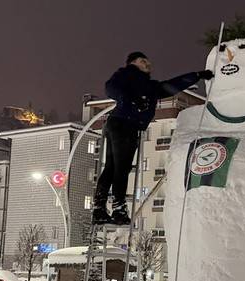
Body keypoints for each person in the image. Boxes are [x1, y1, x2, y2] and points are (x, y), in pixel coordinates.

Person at [92, 52, 214, 225]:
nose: (148, 64)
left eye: (148, 62)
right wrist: (134, 100)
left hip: (119, 124)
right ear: (132, 63)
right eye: (143, 61)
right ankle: (118, 209)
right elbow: (111, 88)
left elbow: (171, 86)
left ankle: (99, 209)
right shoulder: (129, 74)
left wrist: (196, 76)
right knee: (121, 168)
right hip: (125, 124)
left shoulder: (148, 85)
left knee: (112, 167)